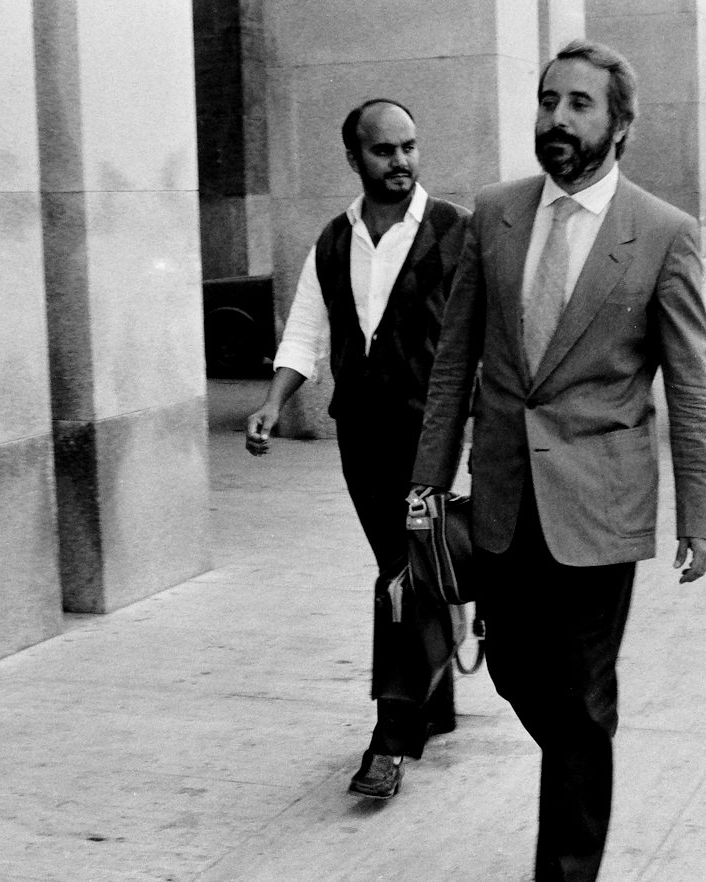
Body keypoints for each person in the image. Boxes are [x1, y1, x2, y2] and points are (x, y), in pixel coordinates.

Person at [409, 40, 706, 882]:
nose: (557, 117)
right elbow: (454, 361)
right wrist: (426, 483)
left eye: (580, 104)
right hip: (505, 496)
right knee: (516, 671)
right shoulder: (495, 214)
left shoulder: (662, 233)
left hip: (601, 503)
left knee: (582, 696)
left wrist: (701, 513)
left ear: (620, 124)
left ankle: (567, 867)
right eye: (549, 100)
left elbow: (692, 386)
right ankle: (584, 750)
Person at [245, 98, 471, 799]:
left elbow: (485, 338)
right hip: (361, 434)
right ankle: (433, 700)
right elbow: (304, 332)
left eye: (409, 146)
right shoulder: (333, 240)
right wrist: (273, 403)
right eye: (384, 150)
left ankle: (391, 737)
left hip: (429, 433)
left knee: (403, 574)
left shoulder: (454, 231)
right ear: (354, 157)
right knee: (403, 566)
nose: (401, 161)